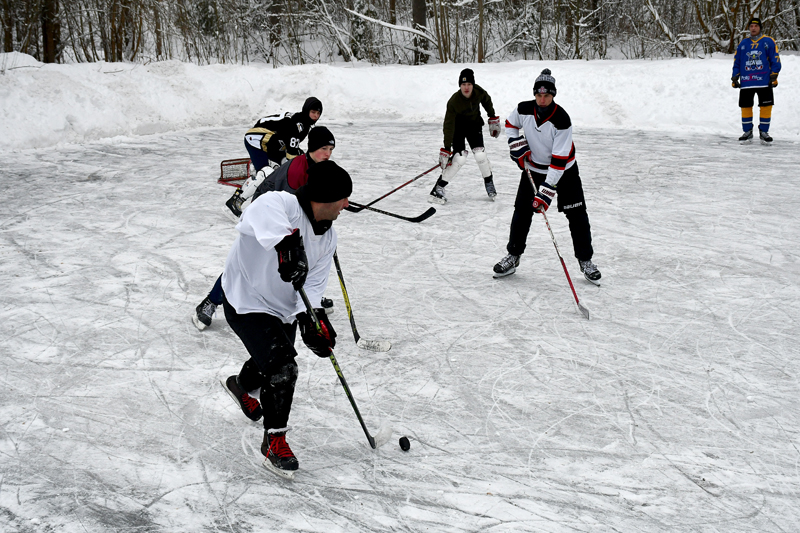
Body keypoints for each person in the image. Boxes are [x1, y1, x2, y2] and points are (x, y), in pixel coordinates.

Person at [220, 159, 352, 479]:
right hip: (245, 299)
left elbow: (314, 285)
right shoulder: (282, 204)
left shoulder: (328, 237)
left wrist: (312, 318)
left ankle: (240, 385)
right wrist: (287, 244)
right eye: (342, 198)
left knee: (269, 360)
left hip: (281, 308)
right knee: (283, 368)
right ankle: (274, 442)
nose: (346, 205)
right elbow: (260, 211)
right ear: (323, 198)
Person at [194, 127, 337, 331]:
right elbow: (292, 210)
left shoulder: (319, 168)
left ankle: (308, 297)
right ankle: (210, 302)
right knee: (248, 263)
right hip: (265, 213)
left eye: (331, 149)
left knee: (302, 256)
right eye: (323, 148)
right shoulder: (297, 171)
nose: (328, 154)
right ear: (312, 148)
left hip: (282, 213)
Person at [493, 69, 601, 285]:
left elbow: (559, 162)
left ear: (553, 95)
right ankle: (513, 255)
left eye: (547, 95)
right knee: (522, 211)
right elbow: (510, 125)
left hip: (565, 170)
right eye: (539, 95)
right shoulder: (523, 109)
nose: (542, 99)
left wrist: (546, 191)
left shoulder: (562, 120)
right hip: (533, 168)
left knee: (577, 214)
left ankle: (585, 260)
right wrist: (517, 146)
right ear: (535, 94)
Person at [226, 97, 323, 217]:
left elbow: (291, 147)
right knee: (267, 173)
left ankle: (262, 205)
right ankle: (235, 201)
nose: (315, 116)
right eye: (313, 112)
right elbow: (291, 154)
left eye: (318, 113)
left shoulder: (304, 124)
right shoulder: (298, 124)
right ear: (306, 110)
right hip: (257, 139)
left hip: (272, 143)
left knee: (277, 171)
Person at [429, 68, 501, 204]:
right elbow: (448, 126)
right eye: (463, 84)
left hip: (474, 126)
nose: (466, 87)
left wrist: (492, 117)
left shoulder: (478, 92)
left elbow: (487, 101)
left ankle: (489, 182)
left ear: (473, 85)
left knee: (480, 154)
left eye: (469, 84)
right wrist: (446, 148)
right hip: (458, 129)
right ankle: (438, 188)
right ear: (460, 85)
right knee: (459, 158)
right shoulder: (454, 101)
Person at [731, 17, 781, 144]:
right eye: (751, 26)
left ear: (760, 28)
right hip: (747, 81)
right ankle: (747, 131)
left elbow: (775, 58)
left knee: (766, 106)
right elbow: (737, 61)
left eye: (756, 26)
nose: (753, 28)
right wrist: (735, 76)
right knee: (745, 106)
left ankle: (764, 131)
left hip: (764, 80)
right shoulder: (743, 44)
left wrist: (774, 74)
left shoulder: (768, 41)